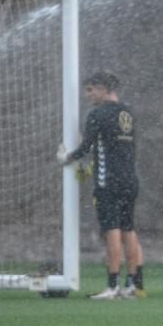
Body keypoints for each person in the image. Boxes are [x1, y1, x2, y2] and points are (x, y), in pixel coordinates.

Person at [57, 72, 145, 300]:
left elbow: (86, 147)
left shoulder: (97, 114)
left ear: (105, 89)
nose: (88, 95)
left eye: (91, 89)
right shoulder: (128, 112)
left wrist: (67, 158)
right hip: (130, 179)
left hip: (109, 181)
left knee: (111, 231)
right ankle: (133, 285)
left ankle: (112, 286)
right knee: (129, 229)